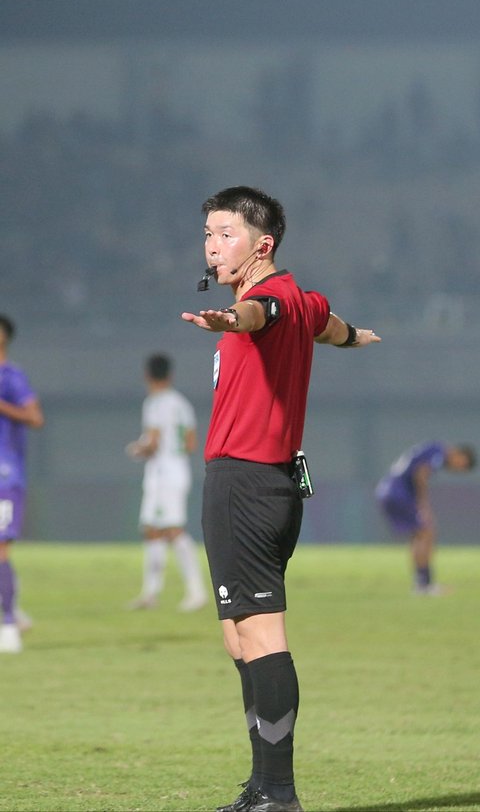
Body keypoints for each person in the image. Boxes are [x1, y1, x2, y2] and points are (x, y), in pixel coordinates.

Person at [181, 186, 380, 812]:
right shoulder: (302, 299)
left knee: (263, 635)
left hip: (247, 481)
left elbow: (257, 316)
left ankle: (280, 795)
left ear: (261, 244)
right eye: (208, 233)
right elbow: (327, 324)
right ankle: (263, 787)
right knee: (239, 638)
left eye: (225, 234)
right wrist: (356, 339)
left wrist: (229, 320)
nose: (212, 246)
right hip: (262, 482)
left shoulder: (265, 299)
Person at [126, 353, 207, 612]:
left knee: (172, 530)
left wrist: (137, 449)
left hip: (163, 473)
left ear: (147, 375)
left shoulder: (156, 403)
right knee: (152, 529)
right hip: (176, 468)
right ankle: (150, 593)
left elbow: (153, 441)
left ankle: (197, 591)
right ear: (170, 375)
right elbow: (191, 443)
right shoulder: (182, 404)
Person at [375, 441, 476, 594]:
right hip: (398, 493)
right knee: (427, 532)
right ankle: (424, 585)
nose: (458, 469)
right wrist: (423, 505)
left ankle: (422, 583)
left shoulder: (431, 449)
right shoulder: (439, 453)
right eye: (462, 465)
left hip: (386, 490)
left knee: (420, 534)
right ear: (458, 454)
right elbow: (421, 473)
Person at [0, 314, 44, 653]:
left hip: (5, 476)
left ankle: (9, 625)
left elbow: (34, 417)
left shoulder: (11, 377)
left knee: (1, 550)